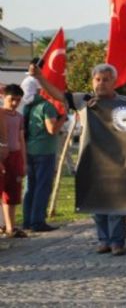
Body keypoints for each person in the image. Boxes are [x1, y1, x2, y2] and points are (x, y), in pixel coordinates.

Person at [33, 63, 126, 254]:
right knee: (96, 203)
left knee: (117, 203)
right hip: (90, 160)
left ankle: (118, 242)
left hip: (117, 161)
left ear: (114, 82)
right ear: (92, 81)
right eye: (98, 79)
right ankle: (103, 240)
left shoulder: (124, 101)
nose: (101, 83)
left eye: (106, 79)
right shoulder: (83, 100)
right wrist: (40, 78)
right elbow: (58, 95)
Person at [22, 77, 66, 232]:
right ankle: (38, 222)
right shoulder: (46, 106)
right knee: (42, 187)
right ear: (40, 90)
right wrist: (63, 118)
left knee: (30, 187)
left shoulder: (27, 107)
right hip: (45, 151)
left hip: (29, 150)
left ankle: (27, 221)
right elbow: (52, 129)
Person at [1, 84, 26, 238]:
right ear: (4, 97)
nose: (15, 103)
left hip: (15, 156)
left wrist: (24, 161)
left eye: (18, 100)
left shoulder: (19, 117)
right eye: (12, 99)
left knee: (13, 193)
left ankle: (11, 226)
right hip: (2, 155)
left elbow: (21, 139)